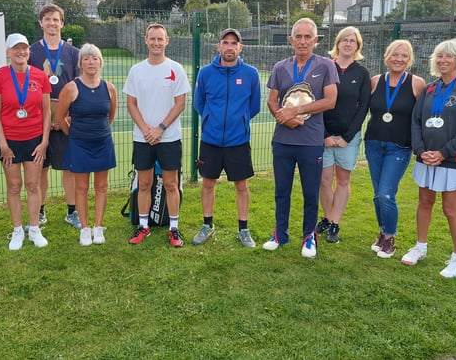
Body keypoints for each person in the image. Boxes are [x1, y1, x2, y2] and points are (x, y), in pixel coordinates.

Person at [401, 39, 456, 278]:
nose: (443, 61)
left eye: (449, 56)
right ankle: (420, 247)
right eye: (439, 56)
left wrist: (445, 152)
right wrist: (420, 150)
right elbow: (416, 121)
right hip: (426, 158)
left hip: (453, 159)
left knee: (451, 209)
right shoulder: (430, 89)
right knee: (425, 203)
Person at [263, 17, 338, 258]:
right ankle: (279, 234)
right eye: (299, 36)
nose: (303, 41)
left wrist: (296, 111)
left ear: (316, 40)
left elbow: (330, 101)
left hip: (310, 141)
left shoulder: (326, 65)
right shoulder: (280, 67)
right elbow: (272, 101)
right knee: (281, 191)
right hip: (283, 140)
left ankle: (309, 238)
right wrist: (282, 117)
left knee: (310, 192)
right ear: (291, 39)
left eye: (308, 37)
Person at [123, 23, 191, 247]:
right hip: (143, 138)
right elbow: (131, 103)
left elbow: (180, 103)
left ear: (167, 41)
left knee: (171, 184)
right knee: (144, 183)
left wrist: (160, 128)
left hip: (168, 137)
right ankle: (143, 226)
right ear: (146, 40)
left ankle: (173, 228)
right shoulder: (136, 70)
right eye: (152, 38)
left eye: (160, 39)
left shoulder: (176, 69)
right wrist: (146, 130)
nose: (156, 43)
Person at [192, 28, 261, 248]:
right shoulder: (205, 73)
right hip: (210, 140)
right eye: (225, 42)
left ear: (240, 47)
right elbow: (199, 103)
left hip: (238, 141)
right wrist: (211, 121)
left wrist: (237, 122)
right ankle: (207, 226)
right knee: (208, 184)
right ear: (218, 46)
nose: (229, 47)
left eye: (234, 43)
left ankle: (243, 229)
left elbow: (254, 106)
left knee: (241, 185)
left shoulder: (251, 74)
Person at [364, 40, 426, 259]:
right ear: (387, 56)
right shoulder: (374, 81)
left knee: (386, 193)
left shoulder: (417, 84)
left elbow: (422, 117)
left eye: (404, 56)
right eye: (395, 55)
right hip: (373, 144)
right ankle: (382, 233)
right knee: (376, 195)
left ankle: (389, 238)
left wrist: (423, 145)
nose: (399, 59)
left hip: (399, 147)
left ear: (409, 60)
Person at [0, 33, 51, 250]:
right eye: (16, 48)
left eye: (24, 48)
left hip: (34, 139)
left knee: (33, 185)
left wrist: (44, 142)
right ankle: (17, 231)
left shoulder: (40, 76)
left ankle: (34, 228)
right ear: (8, 52)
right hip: (10, 141)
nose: (21, 52)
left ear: (29, 51)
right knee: (14, 186)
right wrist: (3, 145)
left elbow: (46, 111)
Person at [57, 44, 117, 246]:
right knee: (81, 188)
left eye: (95, 58)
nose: (91, 62)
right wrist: (74, 135)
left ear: (101, 62)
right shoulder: (71, 88)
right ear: (80, 63)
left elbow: (110, 116)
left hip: (103, 143)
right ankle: (84, 229)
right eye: (86, 59)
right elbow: (60, 117)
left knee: (101, 187)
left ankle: (98, 227)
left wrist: (97, 132)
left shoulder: (109, 88)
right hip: (79, 145)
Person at [315, 26, 371, 244]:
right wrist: (325, 135)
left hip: (348, 138)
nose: (348, 44)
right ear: (337, 44)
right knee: (324, 180)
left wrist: (347, 137)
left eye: (353, 41)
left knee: (343, 180)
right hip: (323, 136)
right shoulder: (325, 68)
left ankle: (335, 223)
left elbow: (363, 107)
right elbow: (317, 102)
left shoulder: (362, 73)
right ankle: (327, 218)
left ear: (357, 46)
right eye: (344, 40)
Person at [28, 4, 81, 229]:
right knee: (41, 167)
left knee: (69, 167)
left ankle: (72, 211)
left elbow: (80, 87)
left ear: (62, 23)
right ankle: (39, 212)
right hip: (39, 120)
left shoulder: (74, 53)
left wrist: (67, 117)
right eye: (47, 19)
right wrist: (43, 118)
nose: (52, 23)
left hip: (66, 120)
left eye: (56, 19)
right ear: (41, 23)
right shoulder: (30, 51)